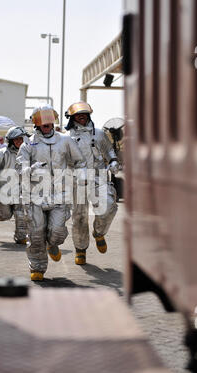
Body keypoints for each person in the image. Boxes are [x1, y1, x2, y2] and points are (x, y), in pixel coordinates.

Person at [16, 105, 86, 281]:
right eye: (42, 119)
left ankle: (53, 245)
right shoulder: (28, 144)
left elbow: (79, 162)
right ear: (36, 123)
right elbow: (19, 168)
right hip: (35, 195)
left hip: (60, 194)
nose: (47, 123)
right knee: (36, 234)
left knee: (57, 232)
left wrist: (82, 176)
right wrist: (31, 169)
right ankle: (37, 267)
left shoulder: (65, 141)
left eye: (49, 119)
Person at [65, 101, 119, 265]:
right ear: (72, 118)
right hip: (76, 180)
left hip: (98, 177)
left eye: (84, 114)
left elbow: (109, 150)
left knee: (109, 207)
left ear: (89, 116)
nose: (82, 117)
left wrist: (113, 161)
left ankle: (99, 232)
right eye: (78, 115)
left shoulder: (99, 134)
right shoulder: (66, 138)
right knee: (80, 217)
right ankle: (80, 250)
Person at [0, 126, 28, 244]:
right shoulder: (2, 154)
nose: (19, 141)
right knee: (5, 215)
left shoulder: (29, 154)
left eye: (21, 139)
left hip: (21, 191)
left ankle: (21, 237)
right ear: (11, 141)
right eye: (16, 139)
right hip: (4, 190)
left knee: (21, 214)